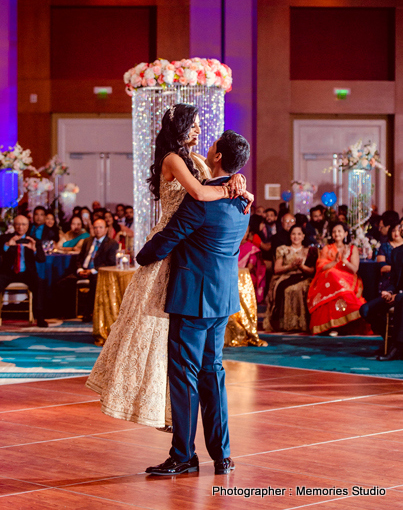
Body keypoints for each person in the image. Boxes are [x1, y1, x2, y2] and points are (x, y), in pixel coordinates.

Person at [86, 104, 252, 433]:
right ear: (178, 127)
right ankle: (156, 407)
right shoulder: (173, 159)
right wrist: (235, 189)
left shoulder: (199, 162)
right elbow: (200, 192)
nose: (198, 131)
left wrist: (236, 178)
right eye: (193, 125)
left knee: (174, 341)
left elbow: (216, 178)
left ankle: (173, 417)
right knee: (151, 330)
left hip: (186, 252)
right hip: (166, 246)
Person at [136, 129, 250, 476]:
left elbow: (169, 237)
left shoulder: (202, 200)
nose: (207, 144)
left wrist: (143, 257)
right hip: (223, 297)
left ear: (217, 157)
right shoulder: (243, 200)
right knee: (212, 374)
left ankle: (184, 455)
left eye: (213, 144)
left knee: (184, 375)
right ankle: (223, 456)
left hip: (192, 298)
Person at [307, 222, 366, 335]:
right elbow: (321, 267)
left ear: (345, 234)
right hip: (328, 280)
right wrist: (335, 262)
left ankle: (346, 321)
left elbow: (354, 269)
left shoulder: (352, 248)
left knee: (333, 276)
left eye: (339, 231)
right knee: (331, 275)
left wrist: (344, 261)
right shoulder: (327, 248)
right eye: (334, 231)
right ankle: (333, 326)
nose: (336, 233)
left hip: (347, 278)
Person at [57, 218, 118, 321]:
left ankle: (88, 313)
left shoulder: (111, 243)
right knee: (63, 282)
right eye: (95, 227)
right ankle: (69, 312)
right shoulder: (87, 241)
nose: (98, 230)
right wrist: (80, 269)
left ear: (106, 229)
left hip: (97, 272)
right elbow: (79, 258)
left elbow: (110, 263)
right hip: (83, 270)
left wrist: (92, 271)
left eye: (100, 227)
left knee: (95, 283)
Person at [263, 225, 316, 332]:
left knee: (302, 288)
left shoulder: (309, 250)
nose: (296, 236)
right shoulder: (283, 249)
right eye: (293, 234)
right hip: (285, 277)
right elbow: (276, 269)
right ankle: (286, 323)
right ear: (290, 236)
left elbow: (312, 271)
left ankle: (302, 323)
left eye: (299, 234)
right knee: (288, 289)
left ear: (303, 236)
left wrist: (301, 266)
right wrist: (290, 266)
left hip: (303, 277)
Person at [0, 215, 48, 327]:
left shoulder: (34, 240)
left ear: (28, 226)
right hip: (8, 272)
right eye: (18, 224)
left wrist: (35, 250)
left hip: (27, 273)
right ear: (13, 225)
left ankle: (39, 317)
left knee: (39, 283)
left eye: (23, 224)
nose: (20, 227)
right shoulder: (4, 238)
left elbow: (42, 259)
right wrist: (7, 246)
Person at [360, 243, 403, 360]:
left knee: (400, 299)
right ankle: (389, 341)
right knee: (365, 310)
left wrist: (399, 295)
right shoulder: (397, 252)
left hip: (400, 296)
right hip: (397, 294)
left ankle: (397, 346)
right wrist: (389, 292)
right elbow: (394, 281)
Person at [238, 226, 266, 304]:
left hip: (246, 275)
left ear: (248, 234)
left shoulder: (252, 248)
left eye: (245, 231)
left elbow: (249, 268)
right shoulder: (230, 247)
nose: (243, 233)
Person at [377, 221, 403, 293]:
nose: (396, 233)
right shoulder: (386, 247)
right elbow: (382, 266)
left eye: (399, 230)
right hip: (390, 280)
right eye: (394, 230)